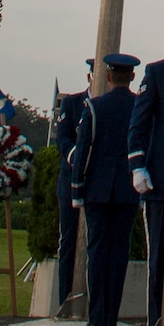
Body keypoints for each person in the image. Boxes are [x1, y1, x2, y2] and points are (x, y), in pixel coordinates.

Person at [70, 51, 141, 326]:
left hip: (98, 190)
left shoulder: (95, 107)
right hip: (127, 189)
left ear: (108, 76)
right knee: (119, 255)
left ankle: (96, 319)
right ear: (132, 76)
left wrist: (77, 188)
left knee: (97, 254)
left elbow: (84, 148)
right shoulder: (139, 106)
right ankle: (111, 319)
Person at [128, 7, 164, 326]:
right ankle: (157, 325)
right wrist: (138, 165)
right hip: (161, 184)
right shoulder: (159, 72)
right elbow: (140, 124)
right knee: (160, 259)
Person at [53, 58, 92, 307]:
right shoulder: (73, 103)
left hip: (99, 184)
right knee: (68, 241)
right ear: (90, 76)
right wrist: (77, 158)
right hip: (70, 182)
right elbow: (63, 139)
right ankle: (65, 300)